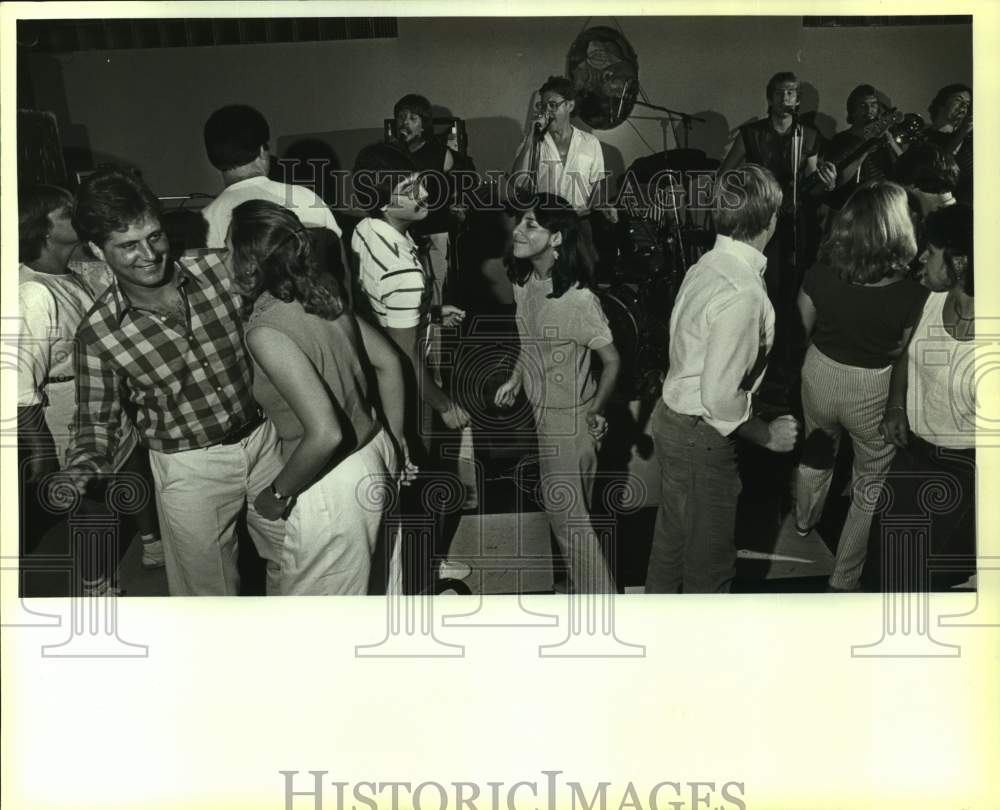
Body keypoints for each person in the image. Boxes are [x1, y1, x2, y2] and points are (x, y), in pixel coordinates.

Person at [64, 165, 287, 596]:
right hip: (189, 467)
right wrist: (82, 465)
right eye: (127, 246)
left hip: (263, 441)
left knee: (296, 556)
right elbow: (97, 419)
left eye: (154, 236)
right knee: (210, 591)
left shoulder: (217, 270)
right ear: (96, 250)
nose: (148, 254)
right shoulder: (97, 335)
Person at [229, 200, 412, 594]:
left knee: (318, 625)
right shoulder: (322, 295)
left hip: (332, 481)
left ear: (247, 263)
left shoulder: (266, 330)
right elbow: (390, 364)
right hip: (375, 449)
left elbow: (325, 432)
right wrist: (395, 444)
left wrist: (277, 494)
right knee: (378, 593)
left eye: (229, 250)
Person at [644, 164, 798, 594]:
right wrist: (765, 434)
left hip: (673, 420)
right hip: (701, 434)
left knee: (672, 546)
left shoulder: (708, 264)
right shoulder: (743, 291)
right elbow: (717, 397)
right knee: (710, 566)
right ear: (769, 221)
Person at [18, 185, 163, 594]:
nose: (77, 215)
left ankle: (152, 545)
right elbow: (16, 385)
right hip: (67, 405)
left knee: (132, 466)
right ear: (42, 229)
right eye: (66, 212)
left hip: (101, 395)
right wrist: (44, 454)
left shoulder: (69, 274)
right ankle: (95, 584)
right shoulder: (31, 293)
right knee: (91, 497)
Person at [794, 181, 927, 592]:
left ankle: (804, 521)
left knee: (817, 452)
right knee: (870, 479)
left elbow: (800, 328)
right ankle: (844, 576)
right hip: (873, 385)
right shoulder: (912, 292)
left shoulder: (820, 272)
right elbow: (908, 350)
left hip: (820, 372)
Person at [351, 143, 470, 594]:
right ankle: (418, 589)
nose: (423, 192)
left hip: (373, 384)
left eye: (419, 180)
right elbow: (404, 357)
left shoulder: (364, 232)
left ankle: (409, 574)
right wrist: (443, 404)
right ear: (383, 201)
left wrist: (431, 314)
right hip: (405, 392)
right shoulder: (404, 269)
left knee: (408, 492)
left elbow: (381, 309)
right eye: (408, 188)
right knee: (431, 494)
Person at [494, 193, 620, 593]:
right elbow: (529, 339)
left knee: (573, 529)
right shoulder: (526, 282)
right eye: (520, 221)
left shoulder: (579, 300)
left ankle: (600, 609)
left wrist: (597, 412)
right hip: (543, 420)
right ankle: (585, 593)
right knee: (564, 520)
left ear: (557, 238)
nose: (518, 230)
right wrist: (517, 377)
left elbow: (613, 362)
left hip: (571, 425)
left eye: (531, 224)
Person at [864, 204, 975, 592]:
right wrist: (896, 405)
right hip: (914, 453)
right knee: (883, 565)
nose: (921, 257)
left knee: (919, 583)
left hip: (967, 474)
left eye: (932, 250)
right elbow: (907, 356)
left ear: (961, 262)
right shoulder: (930, 298)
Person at [719, 72, 837, 402]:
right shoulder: (752, 134)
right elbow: (725, 177)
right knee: (762, 291)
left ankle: (787, 372)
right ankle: (757, 368)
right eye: (783, 93)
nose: (790, 98)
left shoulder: (808, 135)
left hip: (796, 225)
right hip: (760, 223)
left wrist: (825, 183)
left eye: (794, 93)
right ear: (770, 97)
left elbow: (812, 184)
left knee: (793, 293)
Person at [511, 76, 618, 273]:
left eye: (553, 105)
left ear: (569, 105)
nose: (547, 112)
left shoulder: (590, 143)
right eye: (543, 106)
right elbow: (518, 181)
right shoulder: (534, 142)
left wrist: (604, 207)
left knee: (582, 282)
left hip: (579, 225)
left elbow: (597, 190)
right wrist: (531, 139)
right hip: (545, 226)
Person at [200, 105, 342, 248]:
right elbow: (337, 261)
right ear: (262, 150)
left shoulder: (205, 221)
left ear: (212, 159)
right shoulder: (307, 199)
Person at [822, 84, 900, 211]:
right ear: (852, 110)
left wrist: (891, 141)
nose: (869, 110)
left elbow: (904, 167)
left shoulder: (885, 136)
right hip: (852, 206)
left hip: (883, 204)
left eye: (873, 105)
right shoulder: (840, 140)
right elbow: (838, 180)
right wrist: (865, 150)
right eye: (863, 105)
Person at [924, 84, 972, 205]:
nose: (963, 107)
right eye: (958, 100)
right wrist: (962, 133)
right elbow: (938, 167)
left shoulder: (967, 139)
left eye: (967, 104)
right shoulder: (924, 136)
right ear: (942, 103)